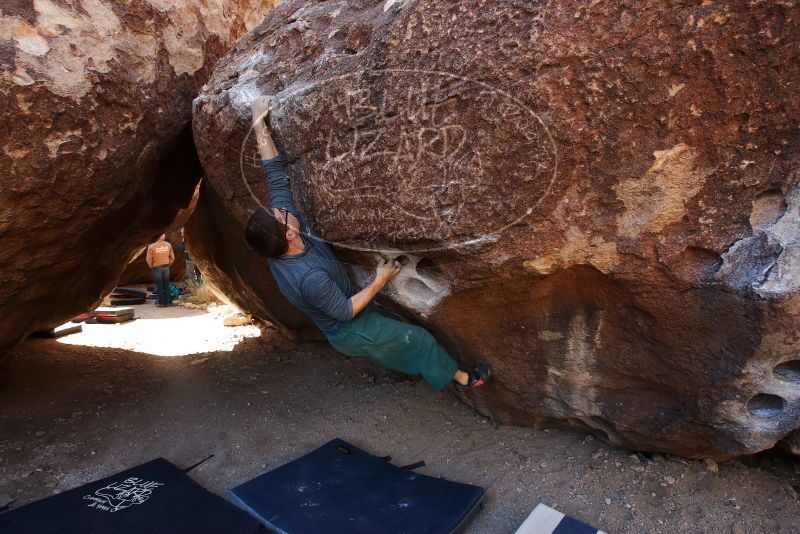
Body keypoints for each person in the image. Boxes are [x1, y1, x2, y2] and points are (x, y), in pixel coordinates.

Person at [244, 95, 492, 392]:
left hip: (353, 311)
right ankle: (465, 379)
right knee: (417, 339)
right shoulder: (308, 277)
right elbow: (345, 311)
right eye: (281, 214)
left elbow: (274, 174)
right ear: (289, 235)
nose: (283, 209)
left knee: (399, 332)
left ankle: (424, 364)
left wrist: (258, 120)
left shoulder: (280, 239)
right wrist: (380, 279)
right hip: (350, 330)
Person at [146, 233, 174, 307]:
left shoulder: (151, 246)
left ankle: (161, 303)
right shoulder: (168, 245)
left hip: (157, 268)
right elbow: (172, 257)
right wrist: (169, 263)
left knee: (159, 285)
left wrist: (151, 265)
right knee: (166, 284)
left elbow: (149, 259)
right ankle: (167, 302)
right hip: (166, 267)